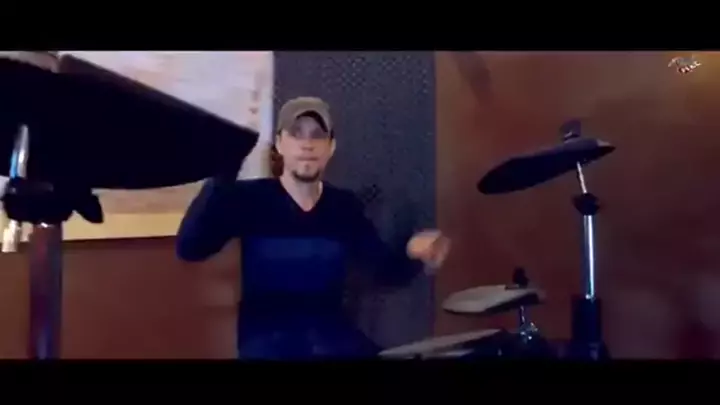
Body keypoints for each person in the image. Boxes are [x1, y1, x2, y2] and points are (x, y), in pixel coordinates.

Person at [176, 96, 451, 360]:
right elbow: (190, 248)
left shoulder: (344, 206)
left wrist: (414, 253)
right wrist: (224, 172)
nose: (307, 144)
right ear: (280, 144)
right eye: (296, 134)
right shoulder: (249, 198)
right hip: (268, 347)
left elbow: (383, 270)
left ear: (330, 147)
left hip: (336, 343)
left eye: (317, 135)